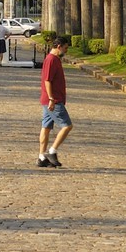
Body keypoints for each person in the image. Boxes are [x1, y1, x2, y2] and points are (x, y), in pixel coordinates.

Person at [38, 34, 73, 167]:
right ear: (58, 47)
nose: (66, 51)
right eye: (65, 48)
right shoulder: (51, 60)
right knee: (67, 126)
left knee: (46, 127)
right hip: (53, 100)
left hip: (50, 99)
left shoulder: (55, 59)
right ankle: (52, 151)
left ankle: (41, 157)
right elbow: (47, 80)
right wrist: (52, 98)